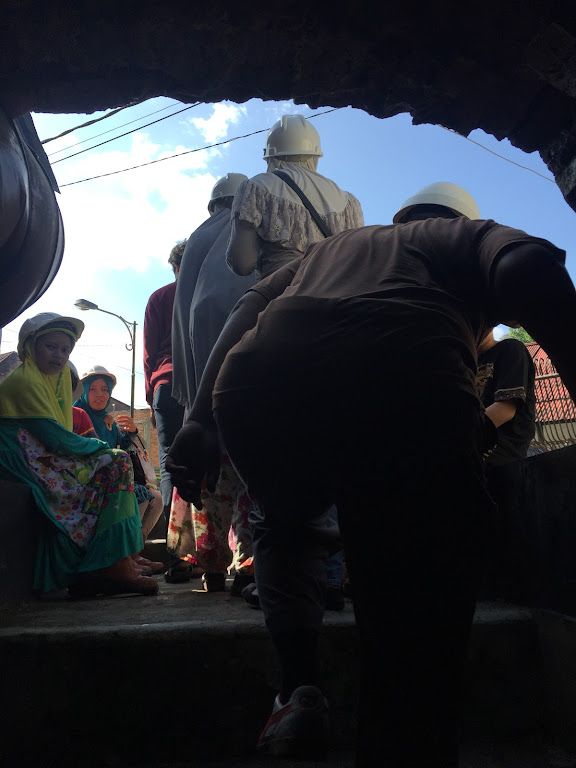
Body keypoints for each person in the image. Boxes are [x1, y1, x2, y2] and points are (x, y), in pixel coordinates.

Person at [167, 181, 576, 767]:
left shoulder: (333, 250)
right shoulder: (456, 235)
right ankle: (404, 740)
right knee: (416, 593)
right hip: (404, 378)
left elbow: (246, 307)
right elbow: (529, 265)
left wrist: (199, 421)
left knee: (287, 527)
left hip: (261, 383)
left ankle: (299, 692)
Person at [0, 313, 158, 597]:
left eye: (65, 349)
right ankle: (114, 563)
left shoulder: (53, 381)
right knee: (117, 462)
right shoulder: (26, 382)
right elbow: (56, 437)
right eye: (51, 347)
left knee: (117, 463)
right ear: (31, 346)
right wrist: (101, 448)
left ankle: (119, 558)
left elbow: (59, 436)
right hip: (24, 457)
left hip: (42, 453)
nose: (59, 355)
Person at [168, 172, 257, 591]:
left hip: (202, 386)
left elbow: (185, 319)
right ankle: (249, 562)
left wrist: (193, 405)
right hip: (251, 382)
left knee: (208, 478)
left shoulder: (198, 240)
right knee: (246, 477)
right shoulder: (253, 230)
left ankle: (211, 566)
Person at [226, 113, 364, 279]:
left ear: (270, 155)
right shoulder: (349, 202)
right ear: (315, 155)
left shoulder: (255, 188)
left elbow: (242, 264)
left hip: (282, 297)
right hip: (338, 299)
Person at [476, 328, 537, 601]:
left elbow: (505, 409)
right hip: (473, 456)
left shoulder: (510, 351)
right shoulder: (461, 364)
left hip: (502, 457)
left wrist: (457, 442)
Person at [74, 365, 164, 547]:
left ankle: (134, 551)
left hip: (113, 477)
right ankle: (123, 553)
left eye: (105, 389)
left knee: (157, 498)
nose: (100, 394)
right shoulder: (78, 414)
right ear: (84, 391)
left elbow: (122, 445)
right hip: (88, 481)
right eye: (93, 389)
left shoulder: (108, 420)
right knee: (140, 496)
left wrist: (132, 431)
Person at [143, 239, 186, 523]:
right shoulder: (209, 296)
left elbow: (148, 355)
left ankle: (179, 555)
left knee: (170, 463)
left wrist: (151, 398)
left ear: (174, 267)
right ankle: (212, 553)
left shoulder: (159, 298)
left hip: (166, 384)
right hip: (205, 385)